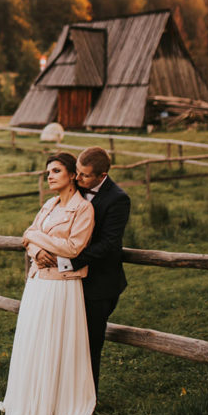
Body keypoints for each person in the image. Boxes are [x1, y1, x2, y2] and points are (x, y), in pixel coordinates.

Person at [0, 151, 96, 415]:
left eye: (55, 171)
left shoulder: (83, 209)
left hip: (62, 285)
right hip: (38, 280)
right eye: (48, 172)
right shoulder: (49, 204)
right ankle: (29, 397)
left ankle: (56, 404)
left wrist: (36, 238)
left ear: (72, 176)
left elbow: (73, 248)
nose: (49, 176)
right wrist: (38, 248)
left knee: (56, 340)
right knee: (34, 338)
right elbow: (27, 235)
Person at [36, 146, 130, 392]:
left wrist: (62, 262)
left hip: (98, 285)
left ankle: (87, 399)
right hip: (67, 284)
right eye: (76, 172)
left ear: (102, 175)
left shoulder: (117, 199)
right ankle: (61, 393)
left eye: (85, 175)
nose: (78, 179)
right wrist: (38, 251)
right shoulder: (74, 190)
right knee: (64, 341)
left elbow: (108, 245)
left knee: (88, 344)